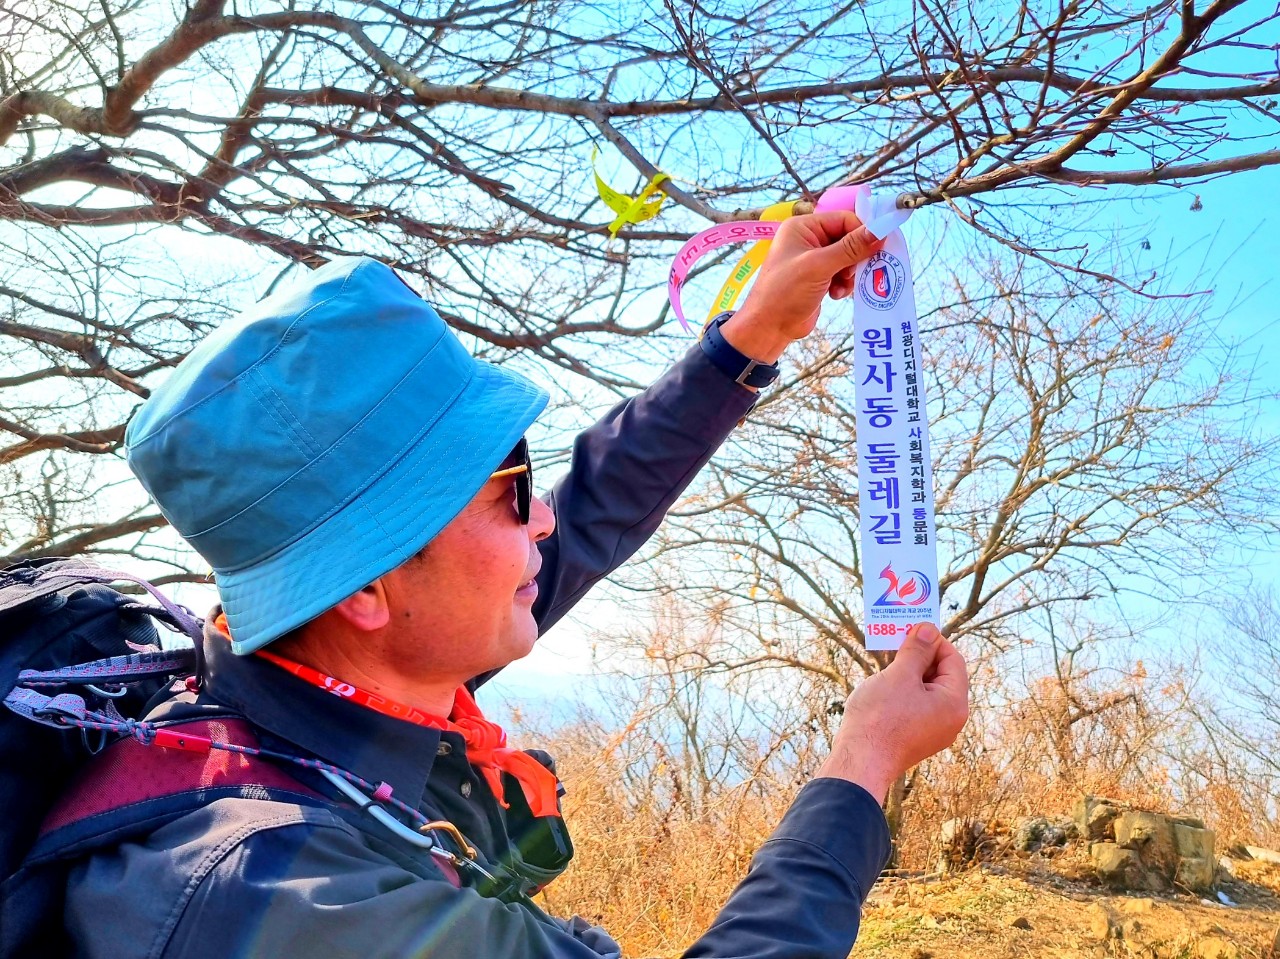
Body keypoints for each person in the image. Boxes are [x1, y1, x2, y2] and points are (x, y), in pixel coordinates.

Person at [61, 211, 968, 958]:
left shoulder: (301, 697)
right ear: (365, 589)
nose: (543, 518)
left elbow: (594, 512)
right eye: (511, 490)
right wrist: (862, 767)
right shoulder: (294, 907)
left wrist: (753, 337)